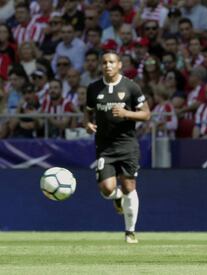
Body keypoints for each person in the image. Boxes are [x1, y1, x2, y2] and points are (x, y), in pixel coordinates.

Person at [84, 51, 151, 244]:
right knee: (107, 189)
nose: (108, 66)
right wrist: (87, 124)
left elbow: (146, 114)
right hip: (104, 146)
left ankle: (130, 231)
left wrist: (126, 113)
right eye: (104, 62)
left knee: (130, 186)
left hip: (127, 144)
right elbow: (87, 111)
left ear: (119, 65)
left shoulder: (131, 87)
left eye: (112, 62)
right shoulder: (93, 88)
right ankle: (117, 196)